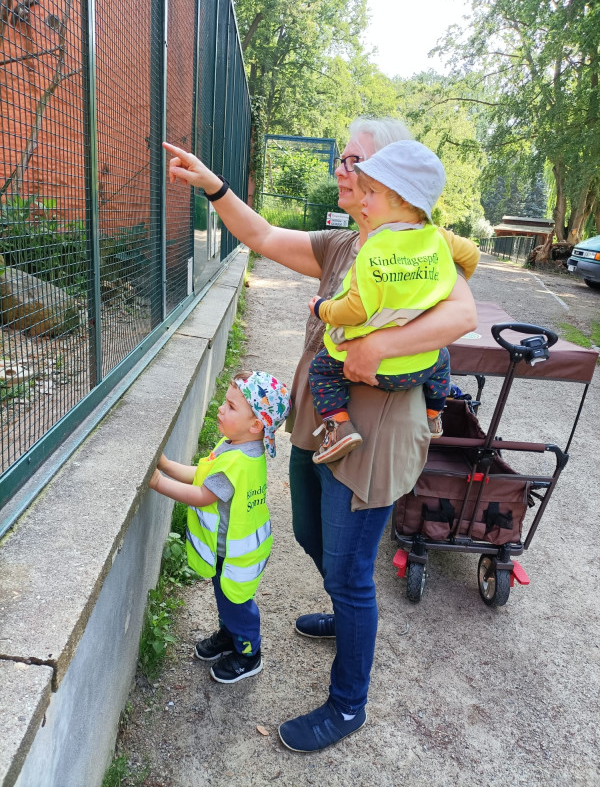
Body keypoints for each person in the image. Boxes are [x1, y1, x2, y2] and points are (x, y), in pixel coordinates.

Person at [162, 116, 479, 751]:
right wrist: (214, 186)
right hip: (316, 425)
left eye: (354, 160)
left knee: (351, 570)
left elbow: (463, 311)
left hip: (373, 440)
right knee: (311, 532)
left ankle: (347, 704)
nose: (342, 168)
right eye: (341, 156)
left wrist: (382, 344)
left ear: (385, 178)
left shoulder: (419, 248)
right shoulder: (342, 246)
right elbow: (262, 234)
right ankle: (342, 606)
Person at [307, 139, 455, 465]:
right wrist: (465, 270)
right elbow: (468, 256)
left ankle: (340, 428)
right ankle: (433, 414)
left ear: (401, 199)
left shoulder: (374, 248)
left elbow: (354, 311)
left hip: (374, 369)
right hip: (421, 367)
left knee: (320, 372)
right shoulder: (436, 240)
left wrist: (322, 308)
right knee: (443, 356)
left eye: (371, 193)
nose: (364, 199)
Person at [149, 370, 290, 684]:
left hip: (237, 554)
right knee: (227, 598)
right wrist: (168, 465)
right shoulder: (235, 445)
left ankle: (249, 653)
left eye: (230, 406)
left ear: (256, 425)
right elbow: (203, 475)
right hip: (231, 549)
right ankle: (230, 635)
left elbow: (201, 495)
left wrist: (159, 482)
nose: (220, 409)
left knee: (237, 602)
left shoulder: (238, 461)